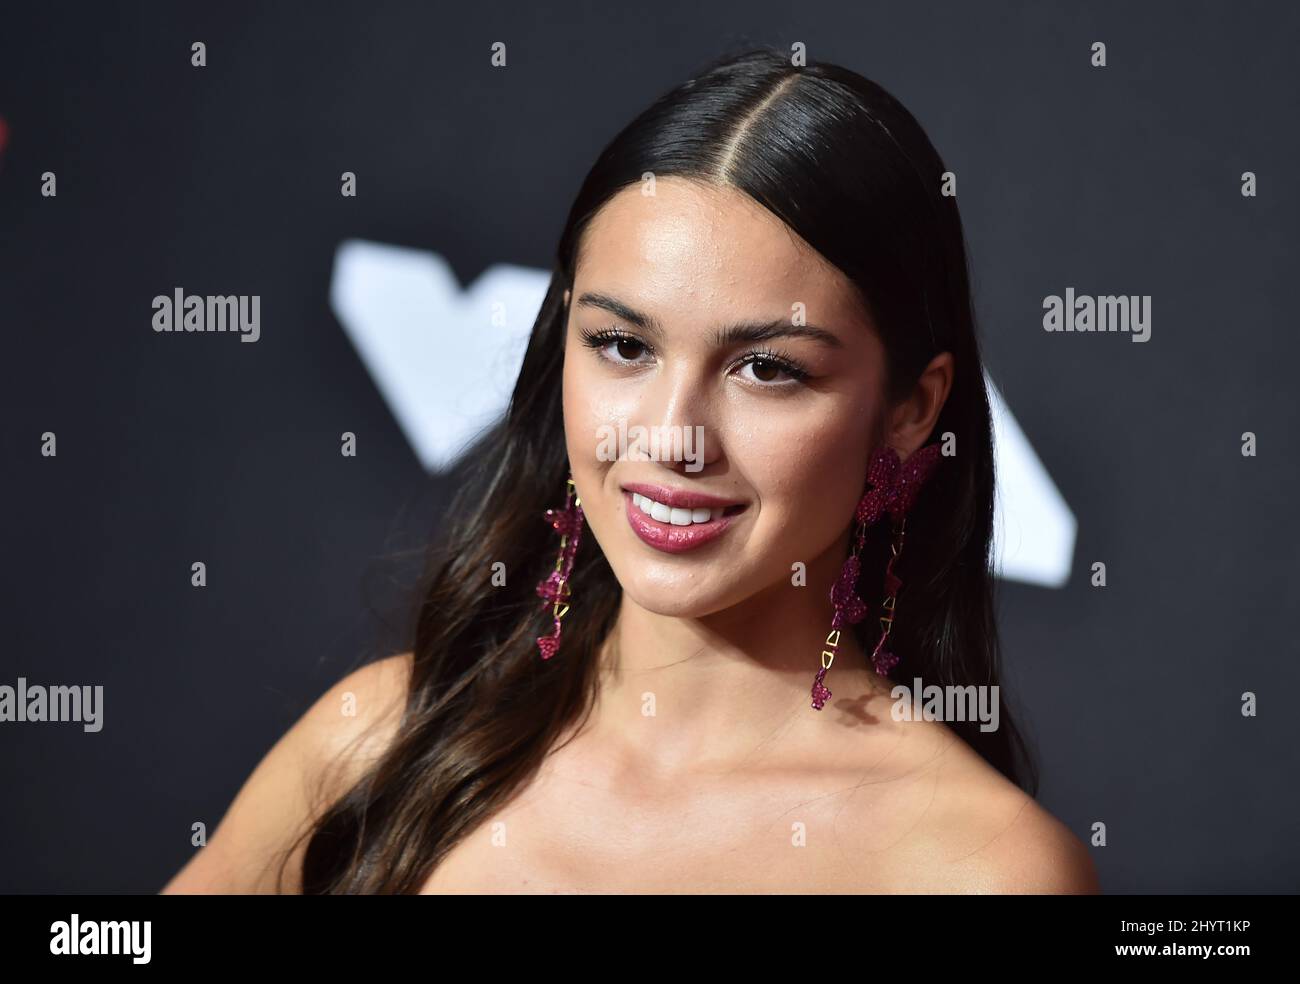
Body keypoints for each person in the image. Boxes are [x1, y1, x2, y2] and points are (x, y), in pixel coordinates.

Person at [162, 46, 1099, 894]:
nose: (672, 437)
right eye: (621, 345)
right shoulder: (377, 739)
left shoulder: (980, 870)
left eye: (767, 368)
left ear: (910, 410)